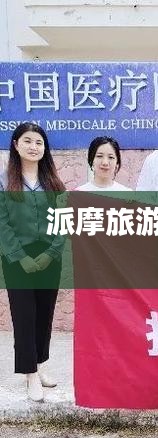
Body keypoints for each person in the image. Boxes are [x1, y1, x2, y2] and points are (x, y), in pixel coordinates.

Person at [0, 122, 66, 402]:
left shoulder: (52, 181)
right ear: (16, 145)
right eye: (27, 141)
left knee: (44, 314)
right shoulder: (4, 181)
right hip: (17, 257)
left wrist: (51, 253)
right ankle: (29, 374)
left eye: (39, 142)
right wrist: (20, 258)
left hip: (49, 256)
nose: (33, 147)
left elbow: (63, 220)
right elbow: (2, 223)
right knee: (24, 315)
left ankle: (40, 364)